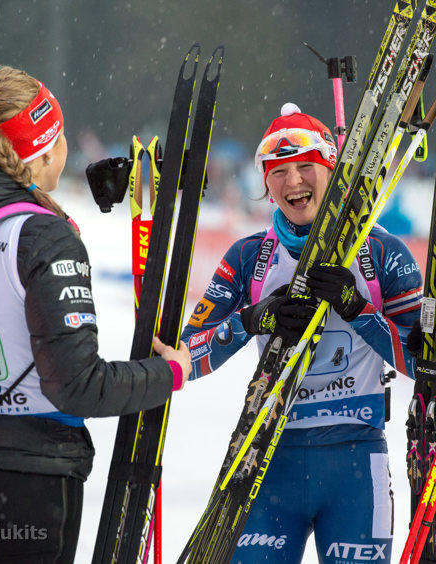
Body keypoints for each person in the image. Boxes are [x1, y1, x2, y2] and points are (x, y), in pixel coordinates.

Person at [0, 66, 191, 562]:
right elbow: (76, 384)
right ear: (45, 148)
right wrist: (169, 373)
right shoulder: (40, 233)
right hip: (25, 479)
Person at [180, 103, 423, 563]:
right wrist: (250, 321)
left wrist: (358, 310)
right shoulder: (249, 257)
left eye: (306, 167)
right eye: (280, 171)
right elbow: (187, 356)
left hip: (355, 460)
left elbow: (425, 362)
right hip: (269, 458)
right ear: (266, 186)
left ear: (331, 169)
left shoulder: (383, 254)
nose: (294, 181)